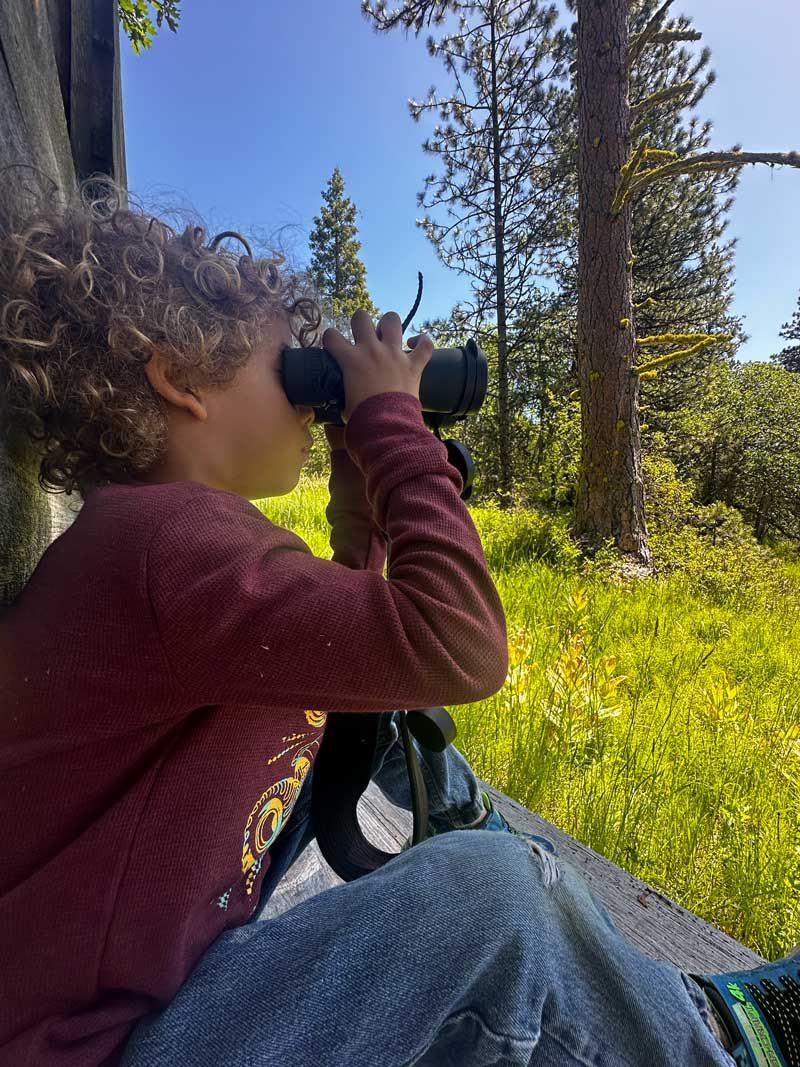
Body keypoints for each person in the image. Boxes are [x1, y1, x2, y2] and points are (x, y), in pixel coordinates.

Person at [0, 180, 794, 1067]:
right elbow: (458, 642)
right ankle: (722, 1044)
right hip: (109, 1046)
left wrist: (360, 519)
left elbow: (342, 656)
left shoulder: (149, 544)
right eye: (296, 368)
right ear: (179, 378)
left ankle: (512, 879)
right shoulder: (167, 544)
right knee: (490, 900)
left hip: (152, 982)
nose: (314, 399)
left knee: (386, 742)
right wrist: (391, 426)